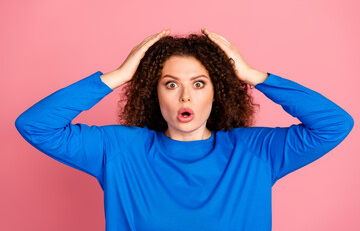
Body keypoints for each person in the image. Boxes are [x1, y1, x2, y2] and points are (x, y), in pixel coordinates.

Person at [15, 28, 354, 231]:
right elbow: (35, 126)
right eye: (171, 84)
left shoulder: (256, 152)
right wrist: (117, 76)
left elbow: (334, 124)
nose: (186, 95)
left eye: (199, 83)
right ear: (154, 92)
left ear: (217, 91)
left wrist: (254, 76)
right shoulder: (119, 150)